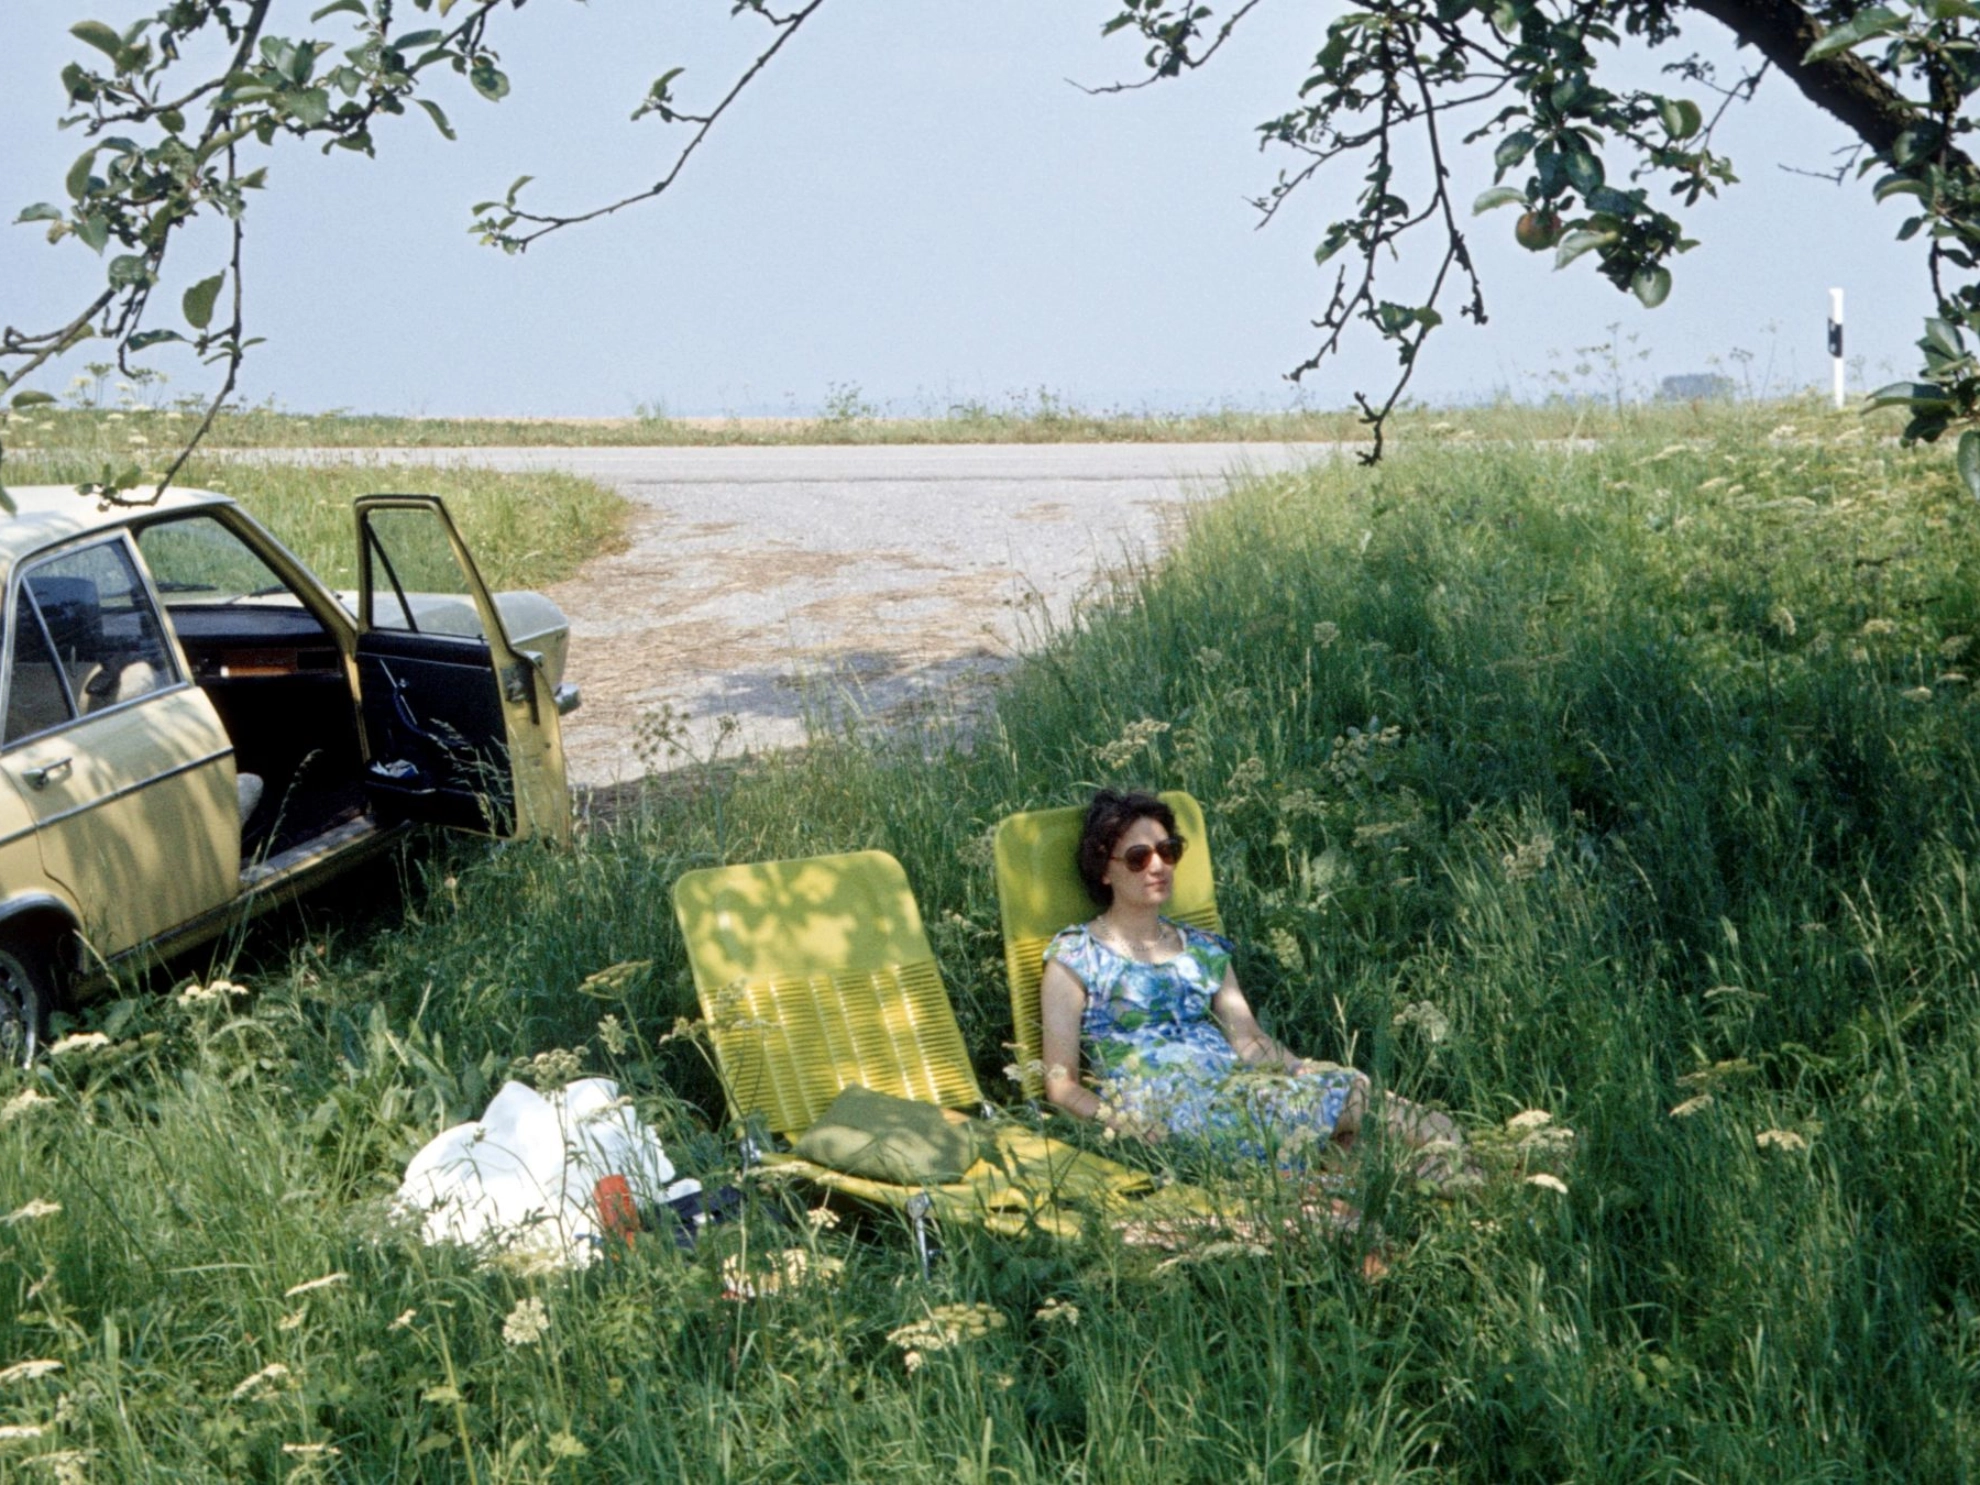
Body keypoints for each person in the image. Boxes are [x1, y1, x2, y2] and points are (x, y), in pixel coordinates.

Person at [1038, 789, 1464, 1171]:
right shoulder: (1076, 957)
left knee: (1363, 1140)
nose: (1158, 866)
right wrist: (1128, 1126)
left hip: (1236, 1095)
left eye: (1168, 851)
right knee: (1359, 1101)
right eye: (1138, 857)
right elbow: (1061, 1085)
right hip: (1169, 1114)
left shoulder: (1202, 948)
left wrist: (1302, 1070)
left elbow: (1249, 1041)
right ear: (1105, 871)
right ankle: (1483, 1175)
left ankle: (1481, 1184)